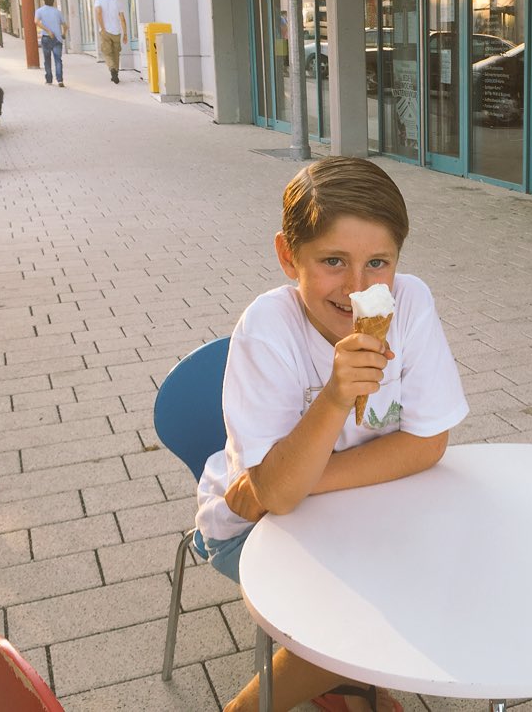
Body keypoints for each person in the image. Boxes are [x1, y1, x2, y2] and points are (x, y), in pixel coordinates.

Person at [195, 156, 469, 712]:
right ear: (288, 255)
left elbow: (427, 443)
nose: (357, 287)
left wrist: (298, 481)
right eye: (333, 261)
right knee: (362, 612)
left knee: (451, 566)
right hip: (247, 530)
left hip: (346, 502)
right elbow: (266, 502)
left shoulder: (410, 303)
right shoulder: (269, 328)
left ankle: (348, 681)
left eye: (378, 262)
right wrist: (335, 396)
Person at [93, 0, 127, 83]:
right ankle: (116, 72)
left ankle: (112, 69)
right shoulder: (117, 2)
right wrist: (125, 33)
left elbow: (99, 13)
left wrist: (102, 27)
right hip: (117, 31)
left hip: (105, 31)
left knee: (107, 53)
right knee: (116, 53)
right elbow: (122, 19)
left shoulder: (98, 0)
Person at [34, 0, 68, 87]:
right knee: (58, 60)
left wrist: (48, 31)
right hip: (57, 38)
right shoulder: (57, 12)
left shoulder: (39, 11)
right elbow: (65, 25)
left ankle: (49, 80)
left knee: (47, 59)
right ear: (53, 2)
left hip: (46, 37)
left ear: (44, 1)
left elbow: (36, 22)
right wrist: (64, 34)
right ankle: (60, 80)